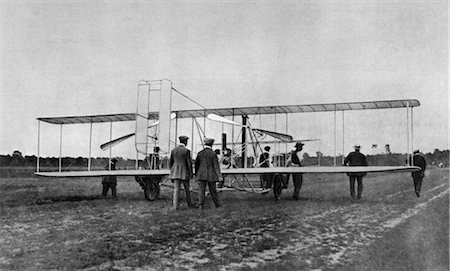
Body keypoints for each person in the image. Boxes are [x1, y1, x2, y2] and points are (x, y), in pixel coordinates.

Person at [195, 138, 222, 209]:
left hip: (201, 174)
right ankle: (217, 204)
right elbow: (216, 166)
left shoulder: (200, 153)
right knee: (213, 190)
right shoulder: (213, 154)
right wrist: (219, 176)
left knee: (201, 190)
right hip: (211, 175)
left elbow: (196, 165)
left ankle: (200, 205)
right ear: (212, 144)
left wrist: (196, 174)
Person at [169, 136, 194, 210]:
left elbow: (170, 162)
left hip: (175, 173)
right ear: (185, 142)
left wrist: (173, 170)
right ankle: (190, 204)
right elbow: (189, 163)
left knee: (176, 189)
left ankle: (176, 206)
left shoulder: (173, 150)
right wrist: (191, 173)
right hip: (184, 172)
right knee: (187, 190)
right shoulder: (186, 151)